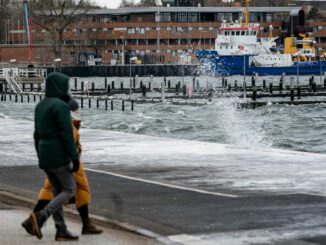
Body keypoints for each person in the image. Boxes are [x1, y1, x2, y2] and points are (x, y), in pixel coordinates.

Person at [21, 72, 80, 241]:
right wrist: (74, 157)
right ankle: (41, 216)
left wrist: (40, 154)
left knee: (57, 191)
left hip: (45, 153)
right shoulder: (60, 106)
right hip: (58, 154)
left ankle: (61, 230)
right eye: (65, 86)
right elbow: (66, 134)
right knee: (69, 189)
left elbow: (36, 134)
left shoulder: (41, 105)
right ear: (59, 87)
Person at [32, 97, 102, 235]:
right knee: (77, 189)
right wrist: (74, 158)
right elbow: (69, 143)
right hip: (67, 161)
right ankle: (36, 219)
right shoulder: (69, 125)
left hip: (56, 160)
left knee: (53, 189)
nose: (78, 111)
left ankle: (38, 220)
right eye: (76, 109)